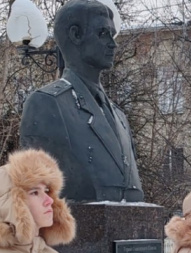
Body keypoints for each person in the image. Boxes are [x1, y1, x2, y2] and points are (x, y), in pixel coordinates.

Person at [20, 0, 144, 202]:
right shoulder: (47, 104)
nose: (113, 44)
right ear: (76, 35)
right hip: (81, 228)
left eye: (112, 35)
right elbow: (39, 193)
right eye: (103, 34)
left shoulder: (119, 118)